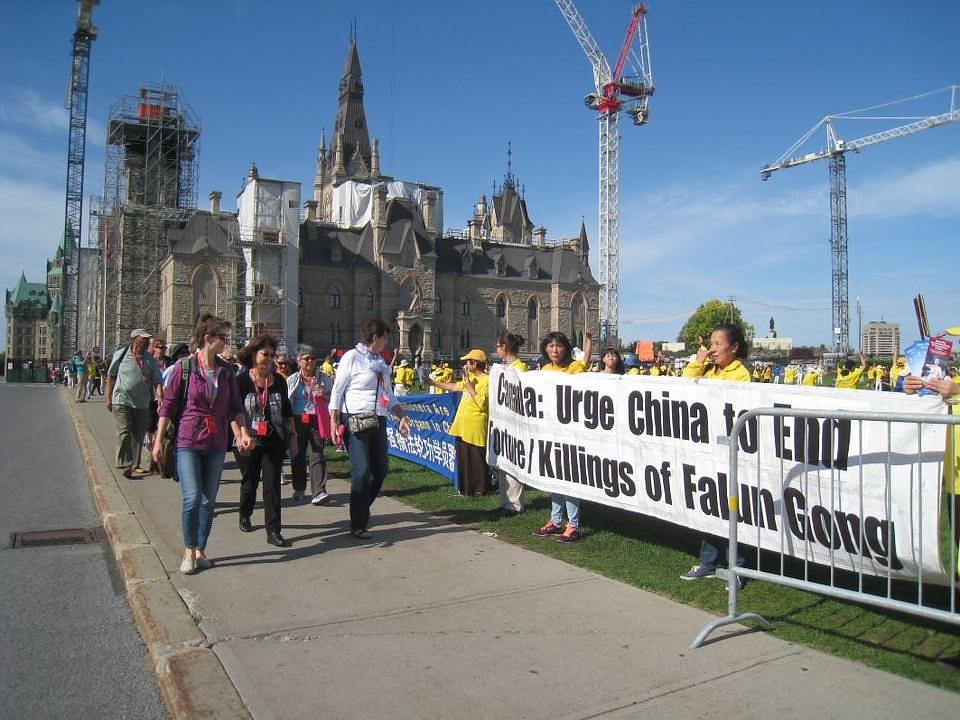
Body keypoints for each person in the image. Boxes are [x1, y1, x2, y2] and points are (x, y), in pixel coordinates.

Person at [152, 315, 252, 575]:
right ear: (208, 338)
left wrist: (242, 433)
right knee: (193, 497)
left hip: (217, 441)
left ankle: (200, 548)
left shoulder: (226, 372)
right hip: (188, 440)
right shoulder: (184, 368)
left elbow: (235, 407)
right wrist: (159, 439)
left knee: (209, 501)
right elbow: (168, 405)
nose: (227, 343)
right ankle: (188, 549)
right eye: (223, 337)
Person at [680, 322, 751, 589]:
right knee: (709, 506)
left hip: (729, 453)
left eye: (718, 344)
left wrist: (705, 385)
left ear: (734, 347)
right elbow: (685, 386)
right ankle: (708, 562)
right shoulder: (709, 368)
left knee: (733, 510)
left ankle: (739, 567)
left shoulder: (739, 373)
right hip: (706, 449)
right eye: (711, 344)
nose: (713, 349)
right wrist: (698, 364)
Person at [329, 319, 411, 539]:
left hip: (379, 419)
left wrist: (401, 416)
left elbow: (389, 394)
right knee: (362, 470)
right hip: (356, 418)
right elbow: (338, 390)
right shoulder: (352, 358)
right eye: (385, 337)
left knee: (381, 468)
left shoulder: (380, 363)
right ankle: (358, 523)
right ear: (375, 338)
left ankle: (361, 507)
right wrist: (334, 419)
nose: (387, 342)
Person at [236, 335, 297, 547]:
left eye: (272, 355)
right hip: (249, 441)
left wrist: (294, 438)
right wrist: (239, 435)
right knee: (249, 482)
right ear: (253, 355)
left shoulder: (278, 380)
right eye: (265, 354)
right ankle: (245, 513)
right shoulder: (242, 380)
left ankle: (273, 531)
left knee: (272, 485)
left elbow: (287, 411)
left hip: (274, 439)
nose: (269, 359)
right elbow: (234, 411)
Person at [532, 330, 592, 543]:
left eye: (558, 346)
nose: (554, 350)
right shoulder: (545, 369)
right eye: (550, 346)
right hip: (551, 431)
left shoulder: (573, 368)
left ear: (565, 348)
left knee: (569, 479)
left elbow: (585, 361)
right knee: (554, 478)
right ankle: (556, 520)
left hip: (570, 432)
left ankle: (573, 525)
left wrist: (588, 343)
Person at [424, 349, 491, 496]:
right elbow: (454, 387)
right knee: (464, 457)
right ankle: (466, 488)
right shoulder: (470, 377)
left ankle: (480, 488)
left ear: (474, 363)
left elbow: (482, 403)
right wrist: (433, 383)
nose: (466, 364)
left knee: (476, 458)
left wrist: (470, 387)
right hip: (463, 424)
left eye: (468, 361)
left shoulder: (487, 380)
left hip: (475, 425)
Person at [105, 329, 163, 479]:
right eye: (143, 339)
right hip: (122, 399)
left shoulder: (149, 359)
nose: (146, 341)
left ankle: (134, 463)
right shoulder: (122, 355)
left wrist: (160, 397)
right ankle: (127, 464)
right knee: (124, 431)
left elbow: (157, 380)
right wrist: (108, 397)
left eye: (147, 339)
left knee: (137, 434)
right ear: (134, 339)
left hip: (142, 402)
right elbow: (111, 377)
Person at [287, 344, 334, 505]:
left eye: (313, 358)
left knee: (317, 454)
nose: (310, 361)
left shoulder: (324, 378)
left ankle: (319, 491)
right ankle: (299, 487)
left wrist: (324, 395)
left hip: (316, 419)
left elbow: (333, 398)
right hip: (298, 419)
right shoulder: (292, 379)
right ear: (299, 361)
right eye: (306, 358)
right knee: (298, 455)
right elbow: (287, 402)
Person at [494, 330, 528, 516]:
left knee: (512, 464)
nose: (496, 349)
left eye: (498, 346)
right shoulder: (502, 366)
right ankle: (504, 500)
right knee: (502, 463)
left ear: (504, 347)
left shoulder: (518, 367)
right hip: (502, 421)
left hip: (514, 423)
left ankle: (514, 504)